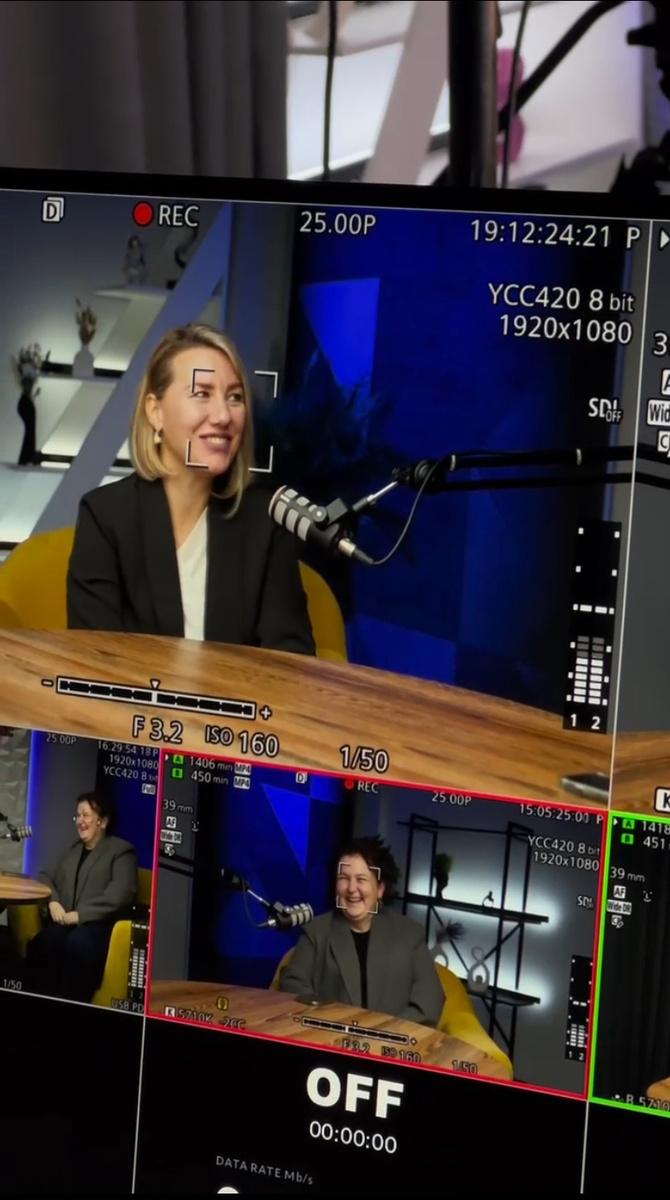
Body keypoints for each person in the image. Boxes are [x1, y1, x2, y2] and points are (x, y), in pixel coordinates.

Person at [66, 323, 316, 653]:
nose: (223, 416)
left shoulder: (267, 522)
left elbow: (290, 660)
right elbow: (96, 656)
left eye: (235, 397)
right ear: (155, 412)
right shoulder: (106, 515)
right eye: (202, 394)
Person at [278, 835, 445, 1027]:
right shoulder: (316, 931)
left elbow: (429, 1002)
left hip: (392, 1039)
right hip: (329, 1038)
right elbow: (292, 986)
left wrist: (385, 1031)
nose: (351, 888)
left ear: (380, 889)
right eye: (343, 878)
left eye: (361, 879)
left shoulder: (410, 934)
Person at [23, 792, 137, 1004]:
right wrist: (54, 901)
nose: (80, 821)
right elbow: (46, 876)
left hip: (99, 927)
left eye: (86, 815)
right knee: (45, 941)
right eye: (78, 815)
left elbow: (121, 895)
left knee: (79, 944)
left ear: (102, 821)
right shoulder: (73, 850)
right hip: (67, 925)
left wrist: (80, 915)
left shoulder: (122, 851)